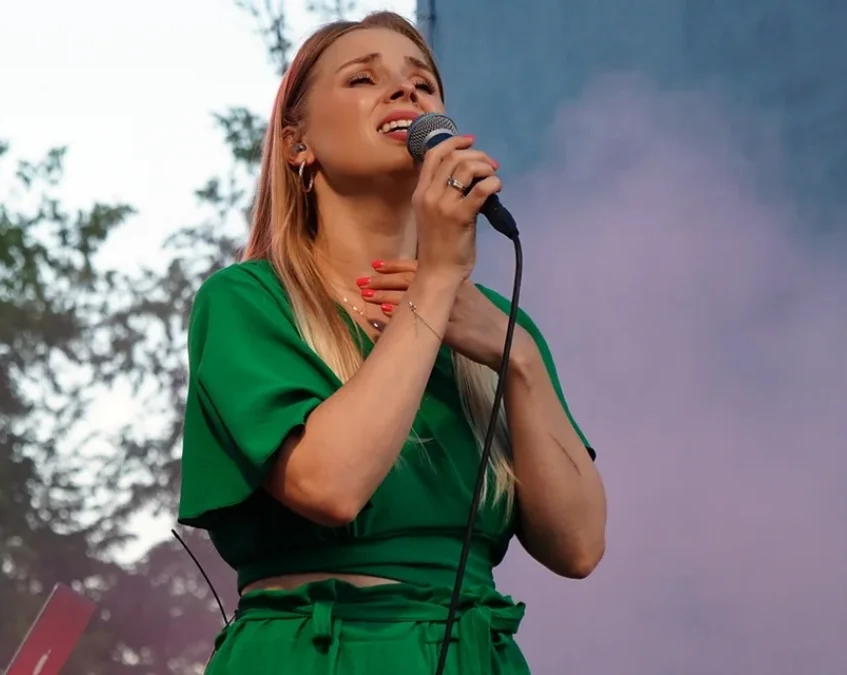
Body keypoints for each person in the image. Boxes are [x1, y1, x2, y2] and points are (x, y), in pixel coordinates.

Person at [178, 11, 606, 674]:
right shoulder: (247, 301)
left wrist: (519, 359)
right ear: (297, 143)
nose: (405, 92)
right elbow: (330, 485)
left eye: (422, 83)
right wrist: (435, 281)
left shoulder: (497, 326)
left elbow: (578, 547)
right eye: (362, 79)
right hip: (313, 654)